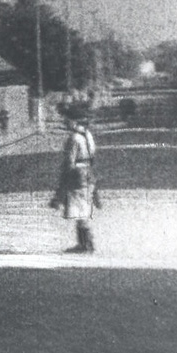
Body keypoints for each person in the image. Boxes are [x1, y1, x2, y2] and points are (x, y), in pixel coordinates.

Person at [49, 107, 101, 253]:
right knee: (83, 208)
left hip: (77, 176)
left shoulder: (73, 139)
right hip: (88, 173)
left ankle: (85, 244)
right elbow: (92, 156)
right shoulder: (87, 135)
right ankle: (86, 243)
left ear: (74, 121)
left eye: (67, 119)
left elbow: (69, 162)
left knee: (79, 210)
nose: (65, 122)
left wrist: (62, 185)